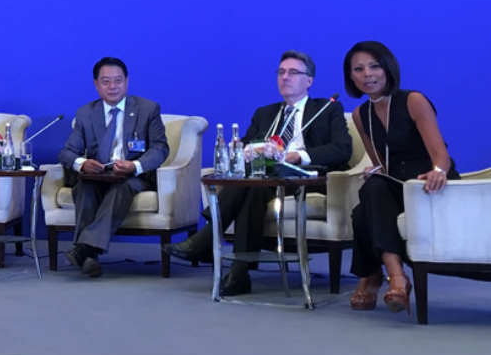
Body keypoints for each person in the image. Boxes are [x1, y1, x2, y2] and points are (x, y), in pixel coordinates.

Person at [167, 50, 352, 295]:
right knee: (253, 190)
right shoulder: (265, 113)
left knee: (252, 185)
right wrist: (249, 151)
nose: (285, 77)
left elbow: (342, 149)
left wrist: (298, 156)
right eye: (281, 72)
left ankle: (208, 239)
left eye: (293, 72)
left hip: (305, 178)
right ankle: (238, 275)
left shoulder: (327, 109)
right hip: (267, 179)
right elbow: (245, 145)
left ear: (309, 80)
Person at [344, 41, 457, 316]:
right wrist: (375, 171)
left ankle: (375, 277)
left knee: (363, 210)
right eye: (358, 69)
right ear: (351, 77)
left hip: (428, 183)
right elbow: (382, 165)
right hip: (397, 186)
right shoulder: (360, 115)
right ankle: (396, 277)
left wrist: (438, 171)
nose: (367, 74)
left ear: (388, 68)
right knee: (370, 193)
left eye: (374, 66)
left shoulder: (413, 100)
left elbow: (441, 155)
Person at [58, 57, 169, 278]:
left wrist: (134, 166)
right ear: (96, 84)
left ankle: (84, 249)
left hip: (132, 177)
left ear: (127, 81)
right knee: (83, 188)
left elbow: (160, 148)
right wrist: (83, 164)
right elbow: (67, 152)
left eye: (118, 80)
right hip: (98, 176)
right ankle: (88, 255)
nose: (112, 87)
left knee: (122, 188)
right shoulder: (85, 113)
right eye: (106, 81)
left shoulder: (148, 109)